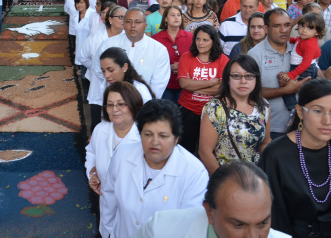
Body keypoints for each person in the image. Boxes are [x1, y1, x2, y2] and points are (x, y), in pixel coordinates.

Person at [102, 99, 209, 238]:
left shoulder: (194, 172)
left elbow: (190, 227)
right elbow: (109, 199)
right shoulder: (123, 155)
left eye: (163, 136)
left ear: (176, 138)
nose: (154, 142)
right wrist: (107, 233)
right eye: (148, 134)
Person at [133, 161, 290, 238]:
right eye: (239, 225)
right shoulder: (160, 229)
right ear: (209, 212)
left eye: (262, 223)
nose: (252, 236)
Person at [260, 79, 331, 238]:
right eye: (318, 111)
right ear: (300, 111)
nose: (327, 121)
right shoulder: (276, 154)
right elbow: (272, 213)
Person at [85, 82, 143, 237]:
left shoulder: (143, 137)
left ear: (134, 105)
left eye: (121, 104)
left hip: (134, 209)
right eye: (110, 105)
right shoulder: (100, 129)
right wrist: (92, 175)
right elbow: (91, 153)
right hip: (106, 201)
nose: (115, 109)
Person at [199, 55, 271, 175]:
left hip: (254, 179)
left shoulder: (263, 106)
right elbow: (205, 152)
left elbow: (265, 143)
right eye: (236, 76)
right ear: (228, 79)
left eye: (249, 76)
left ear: (256, 79)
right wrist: (224, 183)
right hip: (225, 179)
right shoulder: (216, 108)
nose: (243, 81)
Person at [249, 9, 311, 138]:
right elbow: (249, 93)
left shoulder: (299, 50)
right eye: (277, 26)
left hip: (302, 127)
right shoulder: (255, 55)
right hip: (269, 130)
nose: (284, 30)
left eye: (287, 25)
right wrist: (286, 90)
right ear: (266, 28)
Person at [91, 8, 171, 99]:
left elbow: (158, 84)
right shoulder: (108, 44)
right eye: (129, 21)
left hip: (143, 104)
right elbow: (98, 70)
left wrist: (142, 102)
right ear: (124, 24)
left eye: (138, 22)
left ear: (145, 26)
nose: (133, 25)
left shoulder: (159, 50)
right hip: (113, 101)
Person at [178, 24, 229, 153]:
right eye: (198, 39)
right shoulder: (186, 57)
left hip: (214, 112)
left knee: (210, 151)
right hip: (188, 110)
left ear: (214, 41)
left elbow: (221, 89)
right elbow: (183, 84)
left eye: (205, 40)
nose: (200, 43)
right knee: (186, 150)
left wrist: (193, 86)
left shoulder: (223, 60)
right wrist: (212, 82)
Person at [153, 6, 193, 103]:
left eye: (179, 15)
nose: (176, 18)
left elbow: (196, 58)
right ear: (166, 19)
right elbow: (152, 62)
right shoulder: (156, 39)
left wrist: (182, 67)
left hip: (186, 85)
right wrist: (168, 67)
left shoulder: (190, 37)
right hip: (165, 85)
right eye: (173, 15)